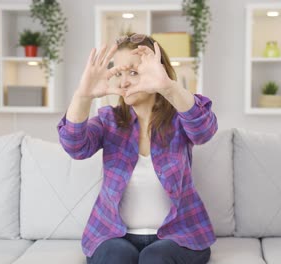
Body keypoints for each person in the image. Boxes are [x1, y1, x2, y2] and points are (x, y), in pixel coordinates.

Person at [57, 33, 218, 264]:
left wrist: (168, 87)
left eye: (133, 72)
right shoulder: (108, 120)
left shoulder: (179, 118)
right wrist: (83, 95)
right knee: (116, 257)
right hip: (114, 236)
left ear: (158, 72)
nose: (124, 82)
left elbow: (205, 130)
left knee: (155, 257)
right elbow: (74, 146)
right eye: (118, 73)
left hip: (179, 237)